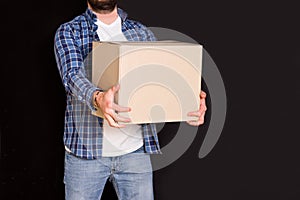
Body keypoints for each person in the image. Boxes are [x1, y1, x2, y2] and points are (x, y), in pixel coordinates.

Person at [54, 0, 207, 199]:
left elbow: (157, 79)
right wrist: (98, 97)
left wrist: (187, 102)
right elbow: (72, 75)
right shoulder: (69, 31)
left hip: (135, 152)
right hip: (85, 154)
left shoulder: (141, 32)